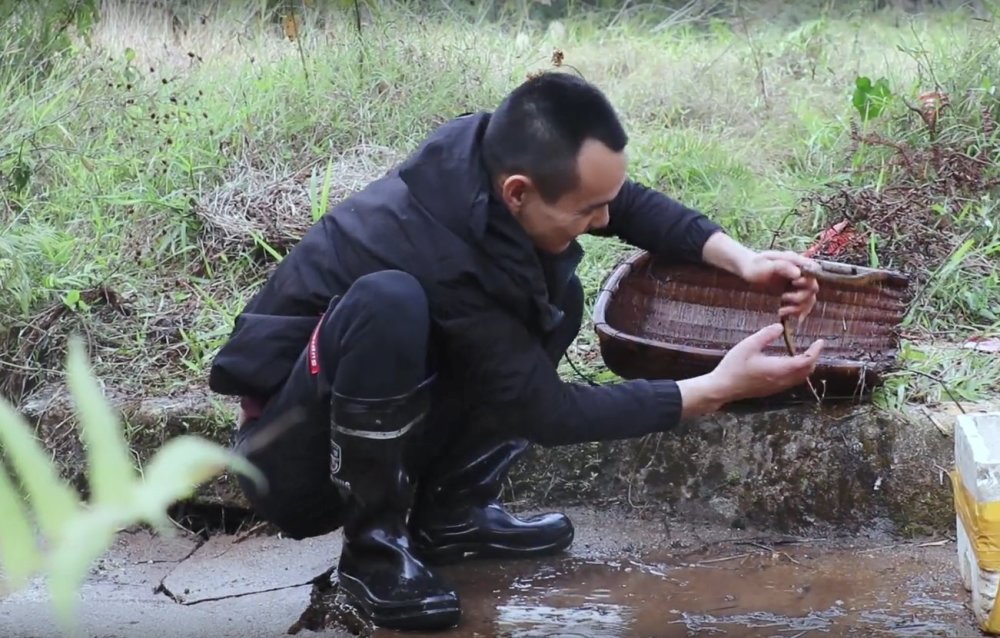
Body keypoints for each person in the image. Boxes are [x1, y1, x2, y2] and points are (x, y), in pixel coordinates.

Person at [207, 71, 824, 632]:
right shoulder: (437, 248)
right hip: (291, 464)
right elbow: (543, 410)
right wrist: (716, 388)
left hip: (360, 403)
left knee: (560, 292)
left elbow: (625, 203)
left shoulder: (493, 159)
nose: (606, 218)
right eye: (589, 210)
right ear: (518, 192)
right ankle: (375, 551)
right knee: (389, 302)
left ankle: (452, 516)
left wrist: (743, 260)